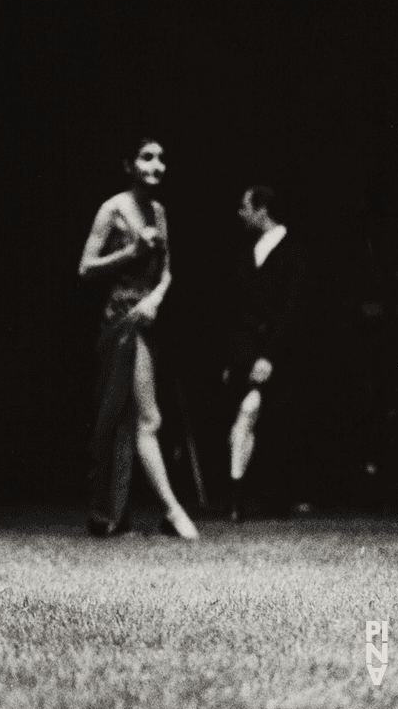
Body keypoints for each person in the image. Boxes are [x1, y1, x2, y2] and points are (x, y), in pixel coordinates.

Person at [77, 137, 199, 540]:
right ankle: (172, 510)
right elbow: (86, 267)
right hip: (122, 318)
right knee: (140, 417)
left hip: (148, 315)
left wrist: (157, 300)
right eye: (147, 157)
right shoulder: (112, 209)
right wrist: (130, 252)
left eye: (162, 158)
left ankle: (113, 515)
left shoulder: (159, 211)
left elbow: (168, 272)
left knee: (135, 419)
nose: (157, 164)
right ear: (129, 164)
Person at [223, 185, 311, 520]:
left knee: (268, 421)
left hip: (279, 352)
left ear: (262, 210)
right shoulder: (246, 251)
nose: (240, 213)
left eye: (245, 207)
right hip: (247, 351)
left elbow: (292, 310)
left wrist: (270, 356)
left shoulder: (295, 252)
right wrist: (238, 359)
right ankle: (237, 496)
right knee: (244, 417)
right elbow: (239, 311)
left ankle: (269, 498)